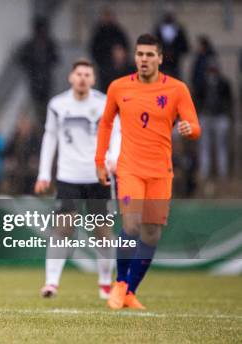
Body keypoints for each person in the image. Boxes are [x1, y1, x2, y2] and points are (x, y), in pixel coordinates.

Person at [95, 34, 201, 310]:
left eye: (149, 55)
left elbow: (194, 125)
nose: (144, 59)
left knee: (152, 234)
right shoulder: (118, 87)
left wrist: (190, 130)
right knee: (130, 226)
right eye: (140, 54)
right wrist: (100, 160)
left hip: (160, 172)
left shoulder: (177, 89)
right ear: (135, 57)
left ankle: (130, 290)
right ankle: (120, 284)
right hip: (129, 169)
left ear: (160, 58)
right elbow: (105, 124)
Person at [35, 59, 120, 300]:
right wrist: (44, 173)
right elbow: (50, 137)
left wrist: (112, 157)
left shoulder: (104, 103)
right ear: (71, 77)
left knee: (102, 230)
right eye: (78, 74)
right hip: (68, 176)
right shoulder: (58, 105)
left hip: (98, 176)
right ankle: (51, 282)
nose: (82, 78)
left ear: (93, 79)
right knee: (63, 227)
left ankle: (105, 282)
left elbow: (117, 132)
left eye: (87, 74)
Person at [14, 16, 59, 127]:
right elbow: (21, 59)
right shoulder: (31, 45)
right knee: (36, 107)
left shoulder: (48, 45)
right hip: (35, 80)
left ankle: (43, 124)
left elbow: (56, 59)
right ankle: (39, 125)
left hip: (44, 80)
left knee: (44, 106)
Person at [195, 57, 233, 188]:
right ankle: (204, 173)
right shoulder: (202, 83)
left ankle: (223, 173)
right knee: (204, 146)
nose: (212, 72)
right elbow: (197, 100)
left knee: (221, 146)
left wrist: (227, 115)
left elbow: (229, 101)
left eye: (214, 69)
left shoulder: (224, 83)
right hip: (206, 116)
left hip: (220, 116)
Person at [89, 8, 129, 92]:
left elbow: (125, 46)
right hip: (104, 66)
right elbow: (93, 48)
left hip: (118, 68)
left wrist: (121, 59)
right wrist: (100, 61)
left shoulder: (118, 31)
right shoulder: (99, 32)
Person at [153, 11, 189, 78]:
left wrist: (175, 52)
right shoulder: (158, 30)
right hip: (162, 61)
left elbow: (184, 46)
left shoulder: (179, 30)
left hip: (175, 61)